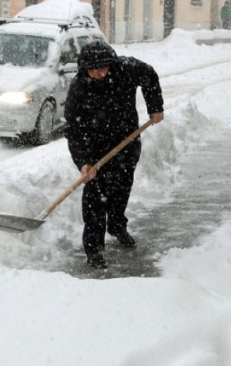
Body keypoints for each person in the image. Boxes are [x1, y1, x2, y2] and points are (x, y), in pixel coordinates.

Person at [64, 41, 164, 269]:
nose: (98, 74)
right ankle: (93, 249)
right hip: (95, 147)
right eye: (92, 70)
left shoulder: (126, 69)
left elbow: (149, 75)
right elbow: (74, 130)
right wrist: (83, 162)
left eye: (102, 68)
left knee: (121, 187)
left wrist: (155, 106)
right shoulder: (79, 87)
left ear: (111, 63)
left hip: (126, 141)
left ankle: (118, 226)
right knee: (95, 198)